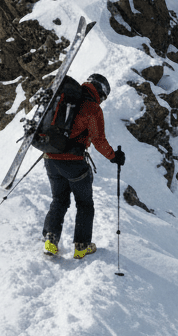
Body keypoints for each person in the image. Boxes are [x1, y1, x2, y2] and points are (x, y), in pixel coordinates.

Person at [42, 73, 125, 258]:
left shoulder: (64, 98)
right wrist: (114, 157)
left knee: (59, 200)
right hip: (73, 163)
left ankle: (50, 240)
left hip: (50, 158)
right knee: (85, 204)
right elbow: (98, 140)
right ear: (101, 93)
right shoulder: (92, 108)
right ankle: (81, 246)